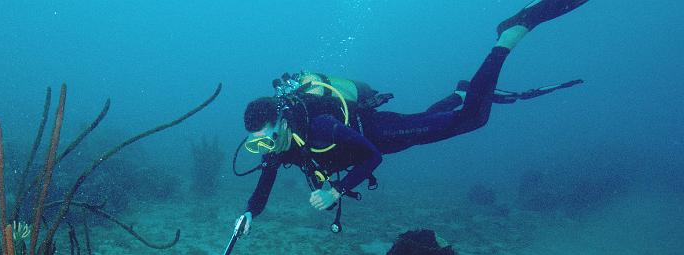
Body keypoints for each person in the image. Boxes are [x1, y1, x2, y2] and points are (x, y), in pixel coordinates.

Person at [235, 0, 591, 234]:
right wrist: (250, 213)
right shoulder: (281, 145)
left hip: (382, 134)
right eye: (258, 144)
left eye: (267, 138)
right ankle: (460, 91)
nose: (267, 149)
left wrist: (337, 190)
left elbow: (372, 156)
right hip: (378, 141)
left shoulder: (322, 126)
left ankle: (509, 36)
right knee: (433, 120)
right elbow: (262, 187)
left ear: (282, 120)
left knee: (471, 120)